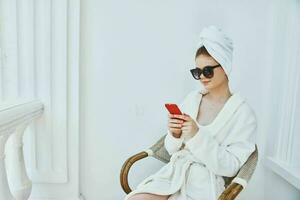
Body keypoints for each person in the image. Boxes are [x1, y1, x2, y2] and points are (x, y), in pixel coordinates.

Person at [124, 25, 257, 200]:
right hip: (173, 175)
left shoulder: (243, 114)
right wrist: (175, 134)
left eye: (207, 70)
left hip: (203, 185)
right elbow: (172, 149)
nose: (202, 76)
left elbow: (231, 167)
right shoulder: (192, 99)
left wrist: (197, 136)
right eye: (197, 72)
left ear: (225, 67)